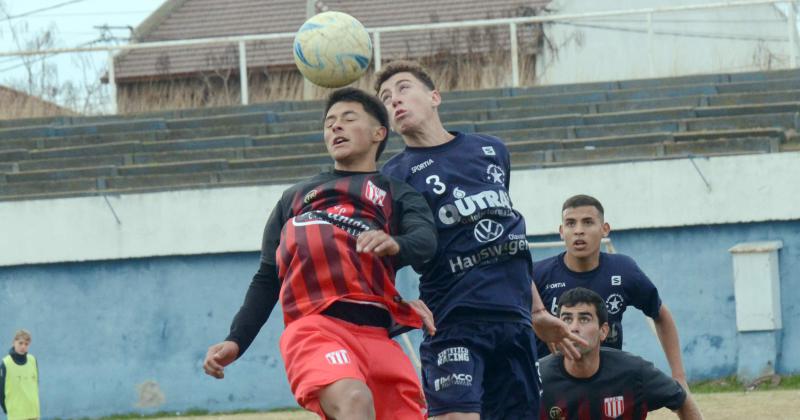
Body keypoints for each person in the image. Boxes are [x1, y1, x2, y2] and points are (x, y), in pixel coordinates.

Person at [202, 87, 438, 420]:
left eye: (348, 118)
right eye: (329, 123)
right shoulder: (293, 199)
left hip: (377, 335)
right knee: (354, 401)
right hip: (315, 328)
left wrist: (397, 243)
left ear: (378, 133)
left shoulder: (395, 193)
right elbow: (267, 278)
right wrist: (236, 340)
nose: (335, 127)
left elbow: (426, 241)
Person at [375, 60, 586, 419]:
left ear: (434, 96)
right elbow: (380, 253)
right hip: (454, 321)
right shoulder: (393, 177)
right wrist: (396, 302)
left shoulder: (491, 150)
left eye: (403, 88)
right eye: (385, 97)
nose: (394, 100)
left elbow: (508, 241)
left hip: (514, 323)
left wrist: (537, 312)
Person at [533, 194, 688, 388]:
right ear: (562, 231)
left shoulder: (623, 270)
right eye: (571, 223)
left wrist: (679, 375)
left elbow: (660, 314)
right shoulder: (537, 275)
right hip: (551, 387)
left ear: (604, 229)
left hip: (606, 385)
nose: (579, 231)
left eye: (588, 222)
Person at [539, 287, 703, 420]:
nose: (573, 327)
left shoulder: (634, 372)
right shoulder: (536, 377)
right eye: (566, 319)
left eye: (584, 319)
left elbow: (681, 399)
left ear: (603, 331)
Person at [1, 329, 41, 420]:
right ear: (13, 342)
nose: (23, 346)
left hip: (33, 412)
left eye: (26, 344)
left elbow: (35, 384)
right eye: (20, 343)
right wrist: (6, 408)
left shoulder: (33, 360)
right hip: (16, 414)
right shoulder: (6, 363)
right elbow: (1, 389)